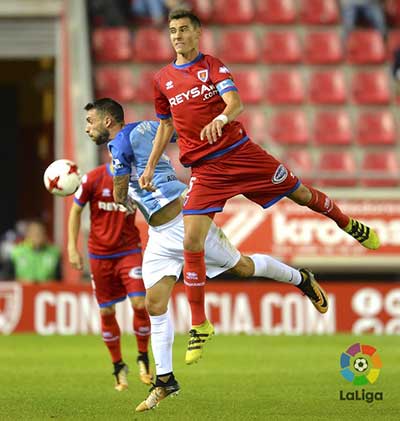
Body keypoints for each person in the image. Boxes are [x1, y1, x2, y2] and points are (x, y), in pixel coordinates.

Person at [138, 8, 380, 374]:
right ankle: (201, 323)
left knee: (300, 193)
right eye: (172, 31)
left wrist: (221, 118)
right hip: (206, 170)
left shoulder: (214, 66)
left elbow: (235, 103)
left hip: (242, 155)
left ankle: (348, 225)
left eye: (184, 30)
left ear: (197, 33)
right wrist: (151, 164)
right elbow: (164, 125)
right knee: (191, 241)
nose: (177, 36)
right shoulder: (162, 79)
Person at [84, 98, 329, 411]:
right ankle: (165, 380)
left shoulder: (118, 146)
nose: (88, 129)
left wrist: (125, 200)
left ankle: (301, 278)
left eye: (91, 122)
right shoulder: (148, 128)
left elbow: (119, 192)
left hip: (185, 223)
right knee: (154, 304)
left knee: (242, 267)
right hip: (159, 235)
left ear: (108, 121)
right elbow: (186, 134)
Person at [67, 156, 152, 391]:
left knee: (139, 303)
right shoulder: (93, 179)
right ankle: (118, 365)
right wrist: (72, 248)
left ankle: (143, 357)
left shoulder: (136, 180)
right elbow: (75, 211)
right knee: (106, 310)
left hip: (128, 251)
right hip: (99, 255)